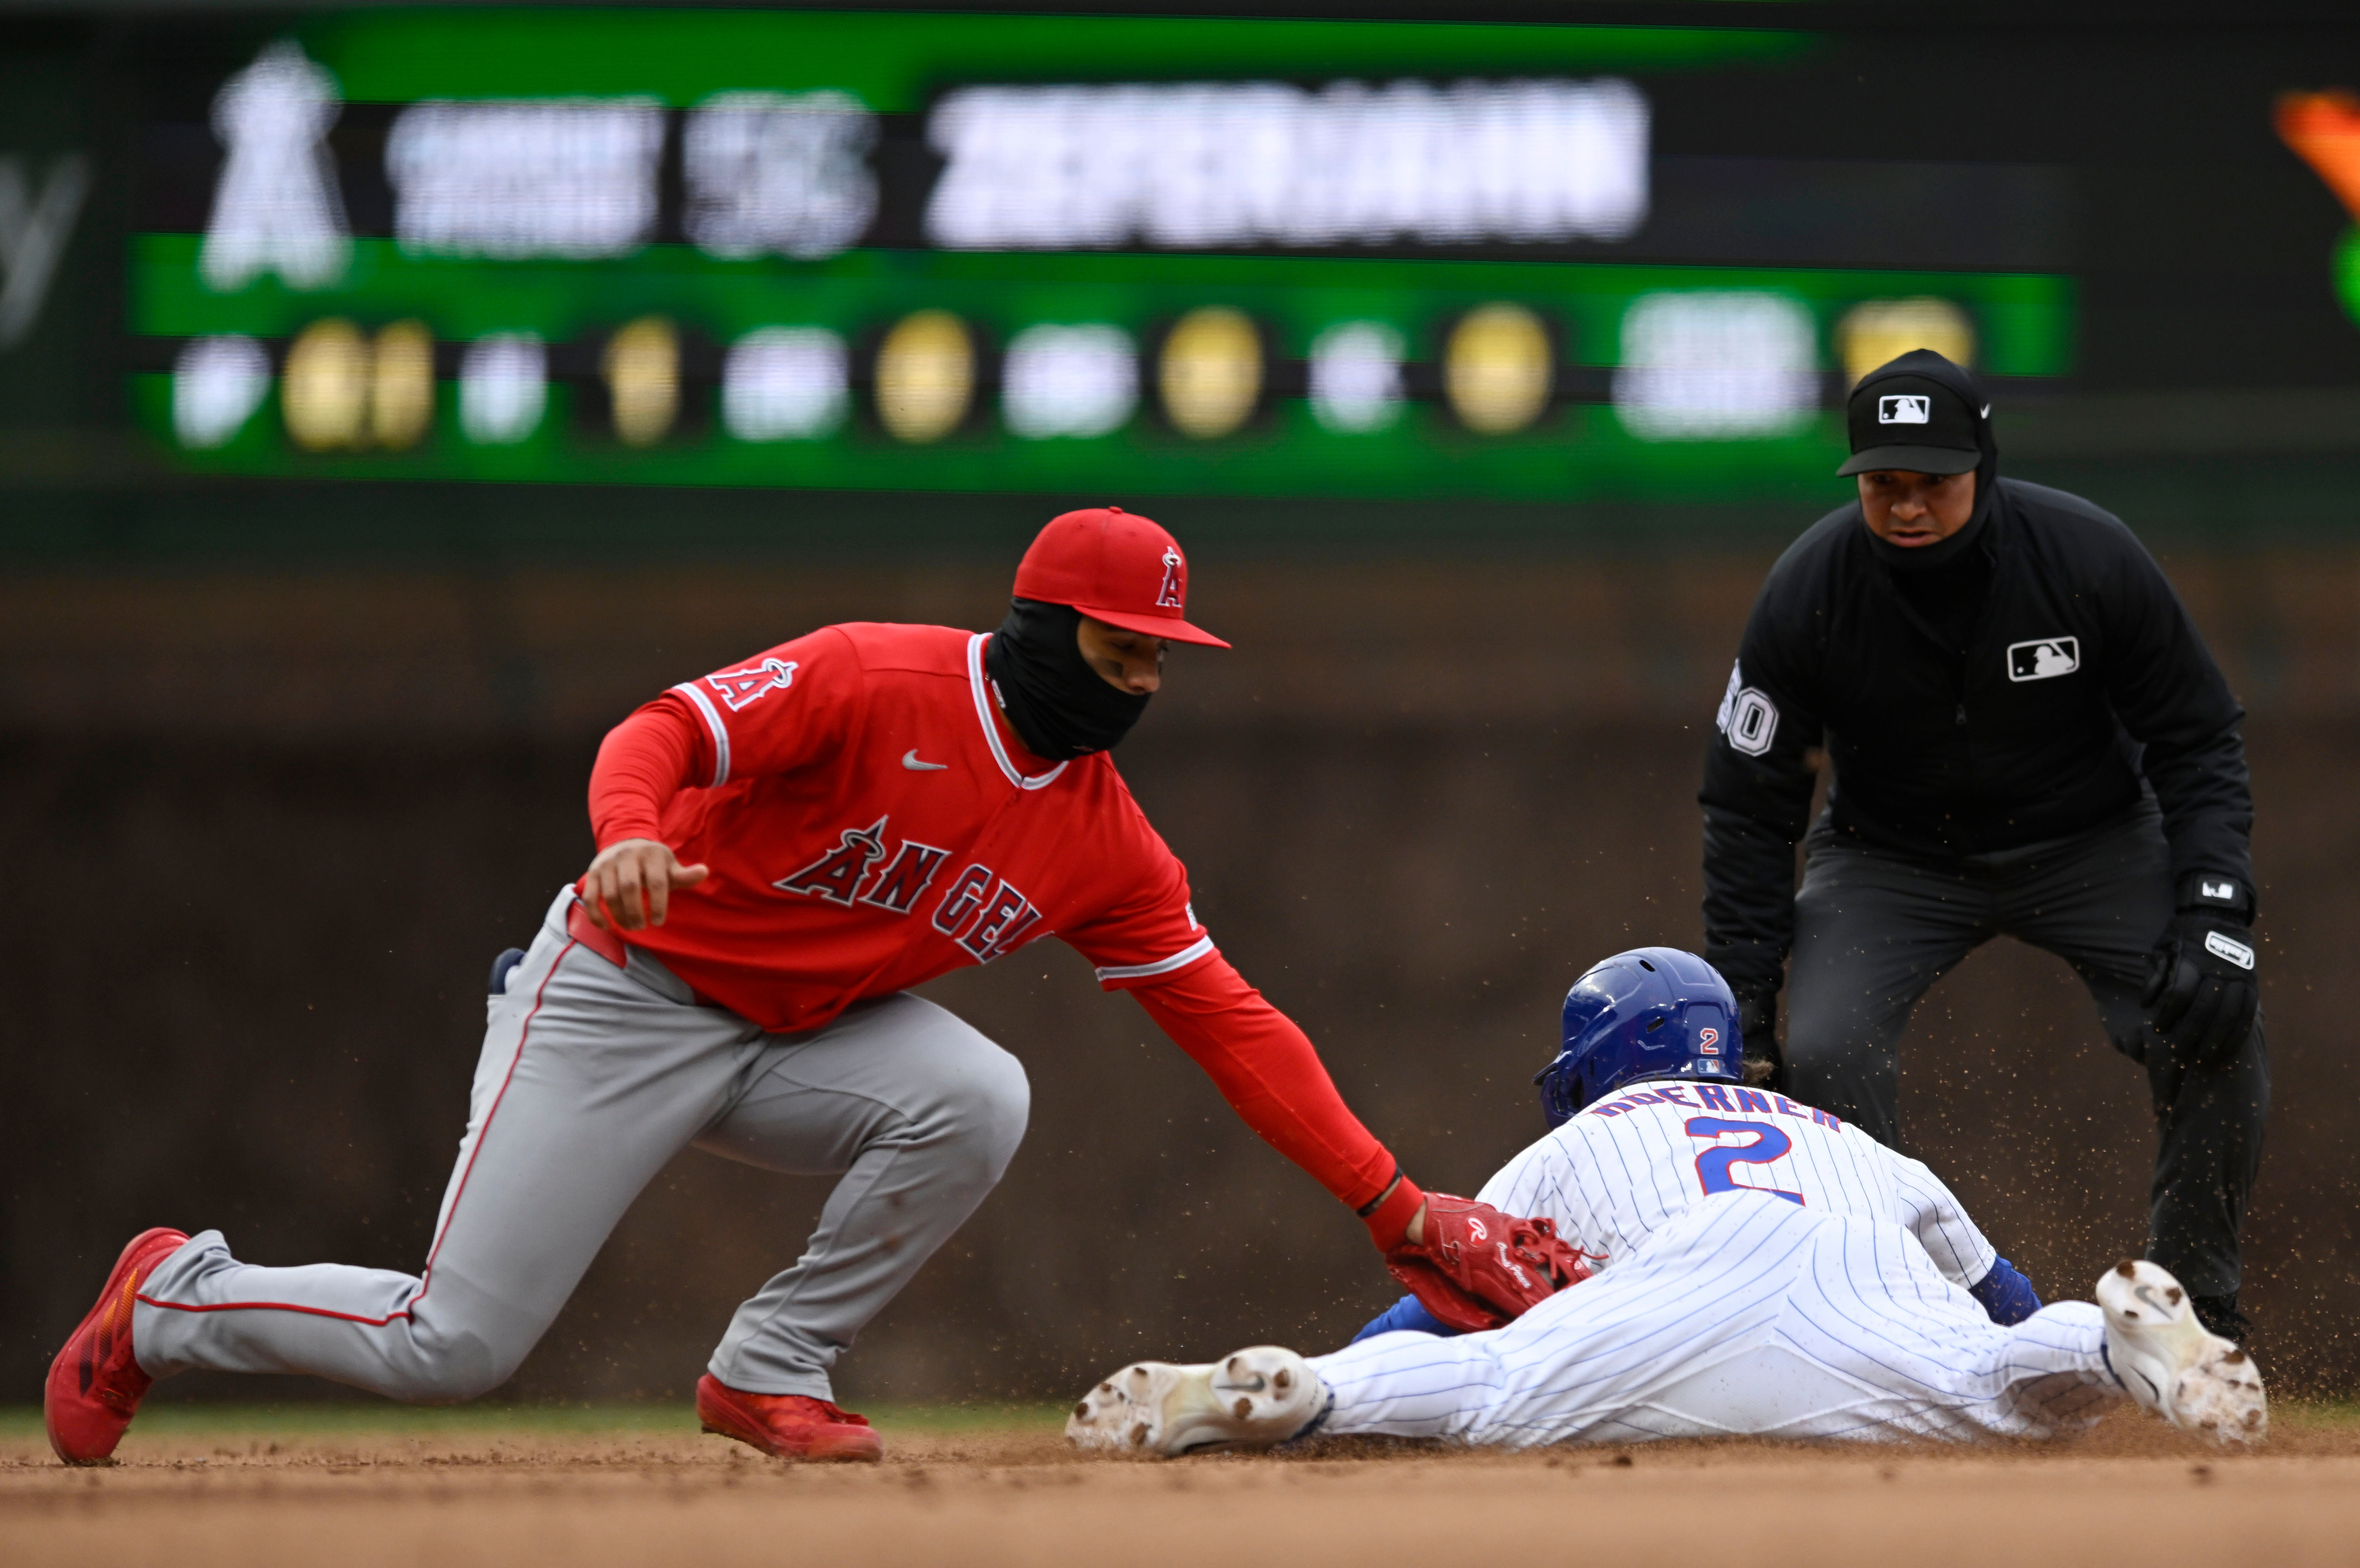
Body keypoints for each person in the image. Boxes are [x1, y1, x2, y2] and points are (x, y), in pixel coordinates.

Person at [46, 506, 1542, 1468]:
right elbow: (658, 735)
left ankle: (768, 1369)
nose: (1142, 682)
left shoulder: (1103, 841)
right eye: (1119, 647)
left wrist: (1391, 1203)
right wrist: (626, 837)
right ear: (1039, 627)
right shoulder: (871, 679)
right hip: (623, 991)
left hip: (794, 1040)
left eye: (1160, 658)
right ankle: (174, 1298)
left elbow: (1235, 1026)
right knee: (457, 1349)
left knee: (977, 1094)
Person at [1064, 948, 2268, 1456]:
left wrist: (1360, 1366)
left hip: (1683, 1277)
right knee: (1997, 1380)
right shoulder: (1845, 1135)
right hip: (1863, 1272)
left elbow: (1456, 1315)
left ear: (1598, 1061)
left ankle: (1307, 1391)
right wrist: (2030, 1345)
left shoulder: (1584, 1136)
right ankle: (2119, 1352)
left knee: (1497, 1387)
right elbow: (1997, 1308)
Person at [1698, 350, 2266, 1343]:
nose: (1908, 506)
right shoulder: (1809, 593)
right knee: (1824, 1052)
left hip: (2091, 839)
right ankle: (1894, 1324)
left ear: (1985, 466)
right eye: (1884, 485)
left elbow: (2196, 735)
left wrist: (2216, 905)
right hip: (1891, 860)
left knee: (2217, 1026)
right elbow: (1750, 805)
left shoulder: (2088, 558)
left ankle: (2193, 1313)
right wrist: (1745, 999)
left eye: (1934, 483)